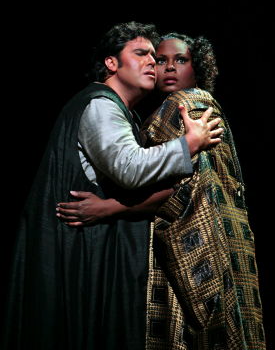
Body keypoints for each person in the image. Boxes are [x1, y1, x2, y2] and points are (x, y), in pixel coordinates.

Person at [1, 22, 222, 350]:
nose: (152, 62)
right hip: (77, 257)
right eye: (141, 54)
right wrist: (189, 142)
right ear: (111, 63)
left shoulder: (122, 111)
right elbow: (130, 169)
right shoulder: (101, 105)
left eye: (154, 56)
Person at [57, 32, 266, 349]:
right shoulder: (156, 114)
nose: (167, 68)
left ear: (198, 69)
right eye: (160, 60)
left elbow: (187, 190)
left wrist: (111, 207)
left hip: (201, 246)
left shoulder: (189, 104)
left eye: (180, 60)